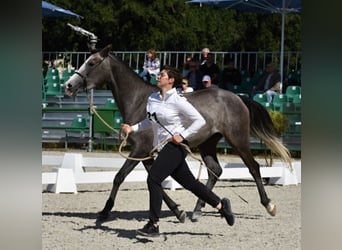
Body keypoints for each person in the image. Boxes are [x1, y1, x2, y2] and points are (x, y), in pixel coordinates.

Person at [121, 66, 235, 237]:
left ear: (171, 80)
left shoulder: (178, 100)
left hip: (175, 147)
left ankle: (154, 224)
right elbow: (149, 121)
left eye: (162, 75)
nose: (158, 77)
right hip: (161, 148)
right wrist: (133, 128)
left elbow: (199, 120)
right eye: (159, 74)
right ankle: (221, 206)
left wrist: (182, 135)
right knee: (191, 184)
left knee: (153, 178)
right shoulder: (152, 98)